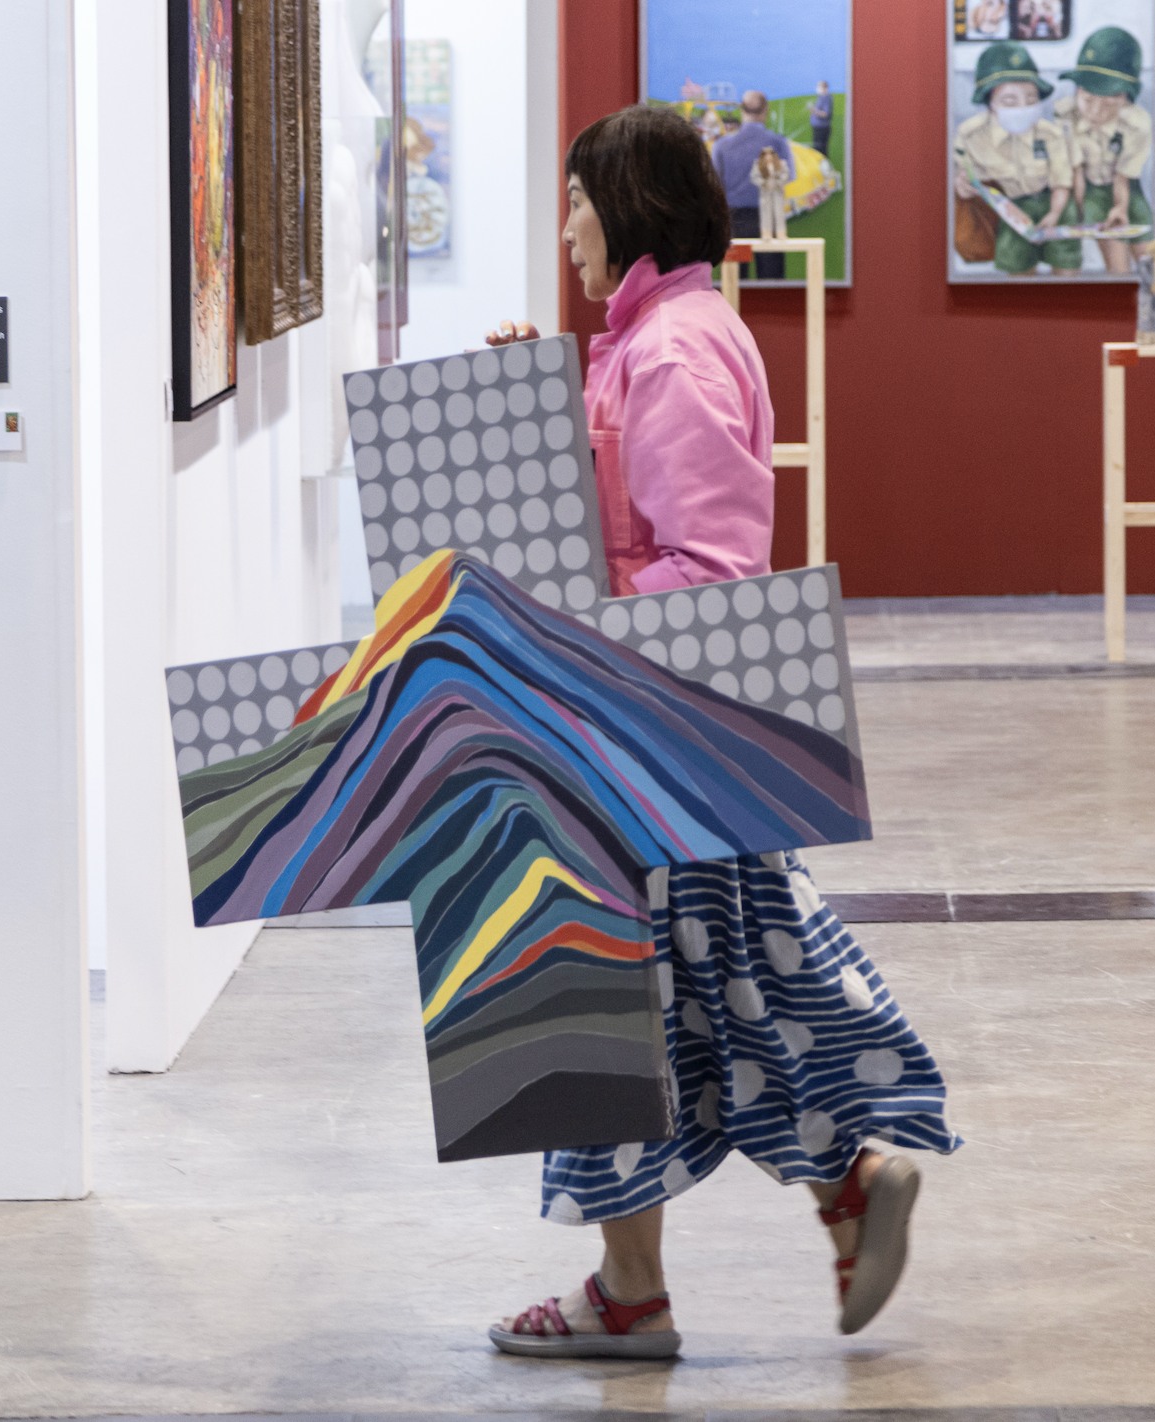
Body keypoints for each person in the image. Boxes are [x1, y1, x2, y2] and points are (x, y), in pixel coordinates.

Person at [479, 104, 959, 1361]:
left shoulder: (674, 352)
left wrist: (565, 631)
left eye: (575, 200)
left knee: (617, 996)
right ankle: (806, 1206)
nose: (566, 229)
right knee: (716, 990)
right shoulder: (655, 338)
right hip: (645, 728)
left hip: (644, 731)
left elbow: (708, 564)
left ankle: (656, 1280)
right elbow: (609, 508)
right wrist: (528, 405)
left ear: (624, 203)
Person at [954, 42, 1081, 277]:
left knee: (1067, 268)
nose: (1023, 108)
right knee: (1018, 271)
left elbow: (1061, 181)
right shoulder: (970, 136)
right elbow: (961, 176)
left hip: (1054, 203)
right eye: (1010, 102)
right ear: (990, 103)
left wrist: (1054, 213)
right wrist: (963, 186)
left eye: (1031, 99)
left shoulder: (1050, 134)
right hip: (1009, 211)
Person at [1056, 26, 1155, 276]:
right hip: (1091, 191)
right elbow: (1076, 173)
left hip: (1127, 187)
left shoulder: (1136, 123)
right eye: (1088, 100)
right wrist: (1079, 214)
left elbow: (1123, 177)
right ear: (1077, 90)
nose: (1095, 111)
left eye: (1109, 103)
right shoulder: (1066, 115)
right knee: (1118, 267)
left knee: (1152, 261)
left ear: (1126, 98)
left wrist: (1121, 207)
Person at [713, 92, 793, 279]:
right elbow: (789, 176)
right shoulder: (778, 143)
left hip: (735, 221)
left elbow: (714, 183)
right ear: (765, 111)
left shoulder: (722, 145)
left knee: (735, 281)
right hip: (770, 220)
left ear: (741, 110)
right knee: (771, 280)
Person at [753, 148, 790, 241]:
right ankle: (766, 233)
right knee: (766, 213)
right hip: (766, 192)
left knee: (779, 213)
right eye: (766, 155)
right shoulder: (758, 165)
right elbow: (754, 177)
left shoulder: (781, 164)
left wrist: (779, 181)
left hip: (777, 191)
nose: (768, 157)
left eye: (770, 154)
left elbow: (785, 175)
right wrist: (763, 183)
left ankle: (781, 233)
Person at [807, 81, 835, 163]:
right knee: (817, 149)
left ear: (825, 88)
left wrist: (814, 110)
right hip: (818, 127)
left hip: (822, 128)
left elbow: (825, 114)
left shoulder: (826, 98)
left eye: (819, 87)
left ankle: (823, 166)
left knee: (821, 149)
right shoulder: (821, 98)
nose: (818, 89)